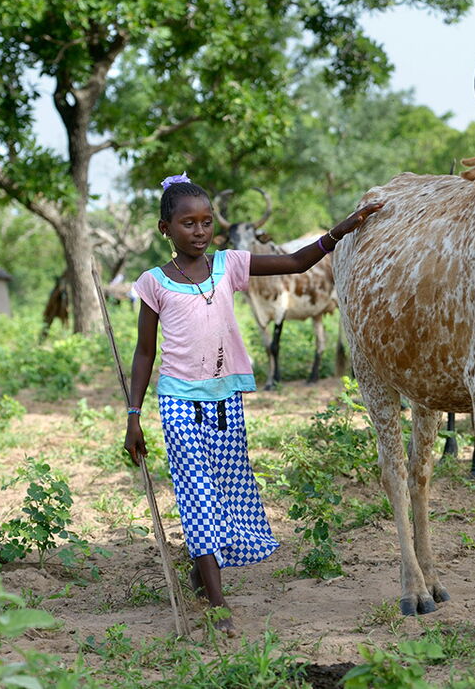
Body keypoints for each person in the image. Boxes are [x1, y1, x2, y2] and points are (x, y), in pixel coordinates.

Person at [123, 172, 382, 636]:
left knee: (224, 495)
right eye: (188, 223)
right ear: (166, 229)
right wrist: (133, 416)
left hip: (226, 402)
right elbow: (145, 353)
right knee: (197, 495)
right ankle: (218, 603)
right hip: (179, 402)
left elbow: (297, 262)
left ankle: (201, 575)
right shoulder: (153, 282)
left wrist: (340, 231)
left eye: (205, 223)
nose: (199, 231)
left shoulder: (230, 265)